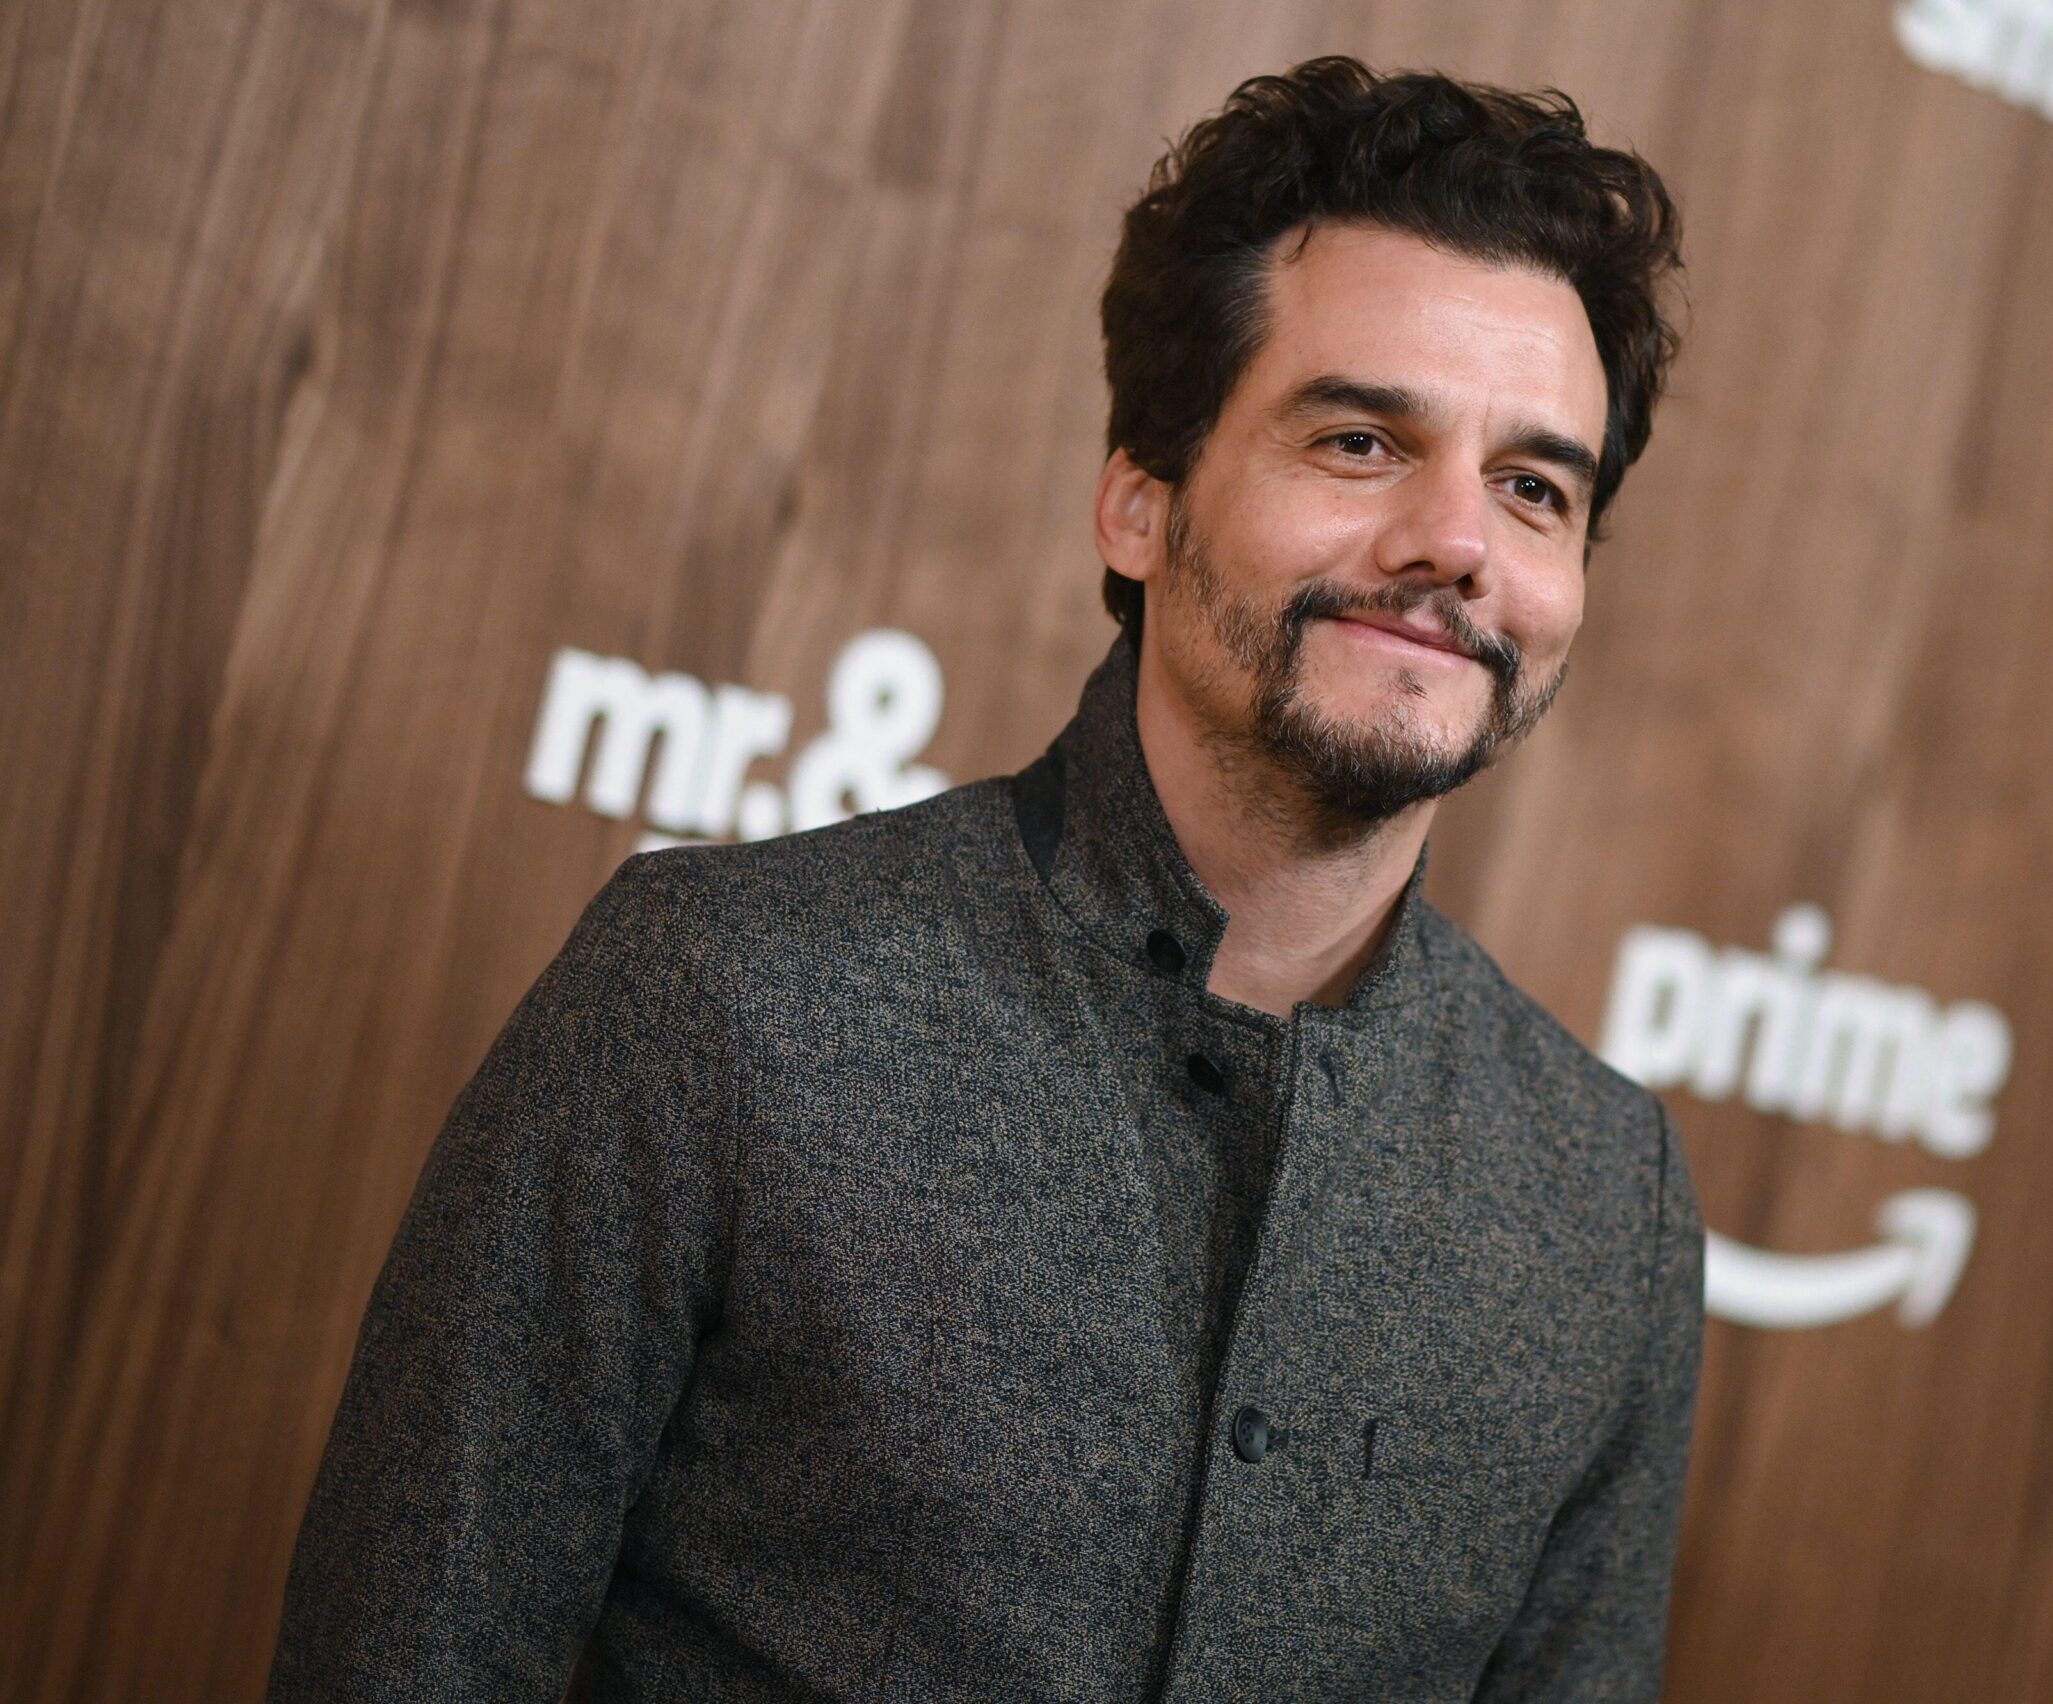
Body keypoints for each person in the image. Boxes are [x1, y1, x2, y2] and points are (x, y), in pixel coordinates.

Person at [269, 54, 1702, 1702]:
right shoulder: (722, 993)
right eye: (1362, 439)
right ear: (1139, 505)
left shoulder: (1607, 1198)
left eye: (1533, 489)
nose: (1457, 541)